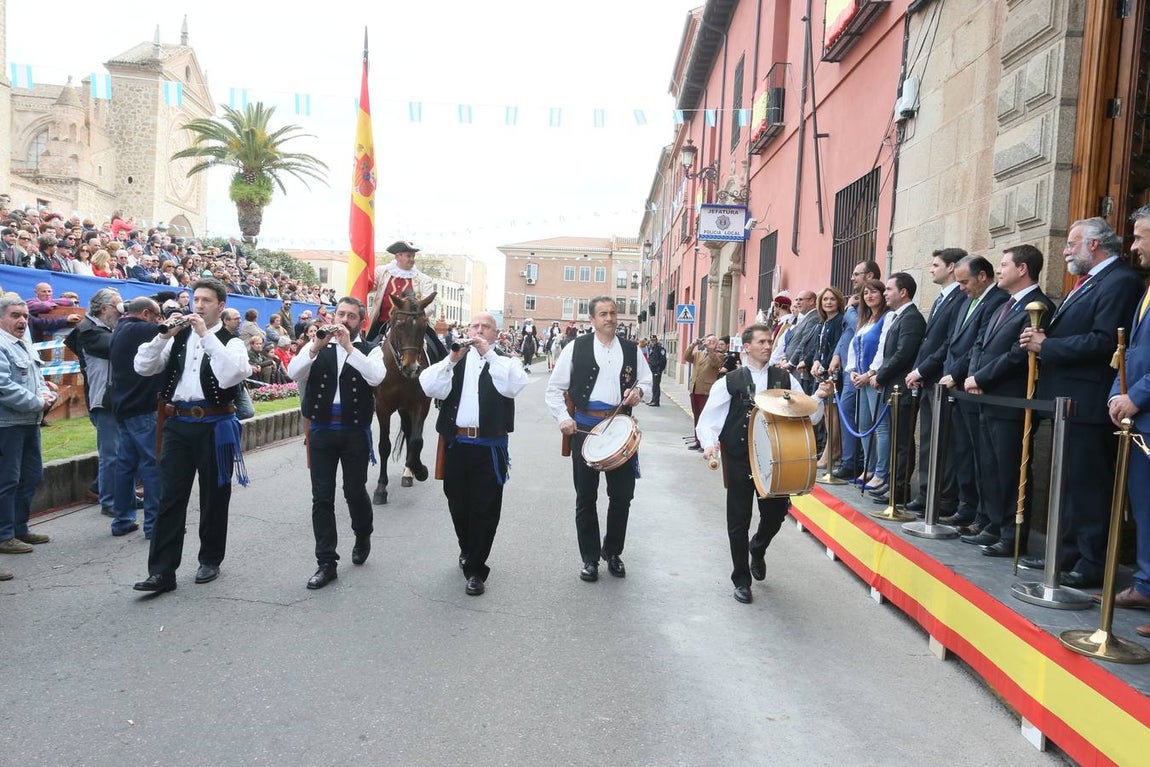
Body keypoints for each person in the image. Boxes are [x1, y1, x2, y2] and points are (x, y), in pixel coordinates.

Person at [1021, 218, 1142, 583]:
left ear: (1094, 244)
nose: (1065, 249)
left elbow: (1105, 341)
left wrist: (1048, 345)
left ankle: (1092, 562)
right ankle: (1067, 553)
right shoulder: (1085, 283)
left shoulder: (1120, 281)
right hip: (1065, 399)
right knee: (1069, 481)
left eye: (1072, 243)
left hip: (1088, 399)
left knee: (1089, 484)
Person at [130, 278, 251, 595]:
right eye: (196, 299)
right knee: (170, 497)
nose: (198, 305)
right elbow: (142, 366)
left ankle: (210, 558)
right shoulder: (177, 338)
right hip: (178, 424)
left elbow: (231, 375)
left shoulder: (231, 341)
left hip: (215, 424)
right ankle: (161, 572)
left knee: (214, 495)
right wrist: (161, 337)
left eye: (206, 300)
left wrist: (205, 335)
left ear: (220, 306)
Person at [698, 323, 832, 603]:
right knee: (738, 519)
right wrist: (709, 443)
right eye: (761, 341)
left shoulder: (785, 379)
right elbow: (709, 418)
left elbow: (811, 417)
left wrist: (818, 397)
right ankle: (741, 579)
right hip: (739, 457)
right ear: (746, 347)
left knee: (774, 516)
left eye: (769, 341)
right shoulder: (730, 381)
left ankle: (757, 548)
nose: (767, 346)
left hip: (775, 460)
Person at [420, 312, 528, 595]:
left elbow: (513, 386)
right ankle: (468, 549)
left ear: (495, 333)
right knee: (457, 503)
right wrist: (451, 359)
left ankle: (477, 570)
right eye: (475, 326)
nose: (480, 331)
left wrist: (488, 355)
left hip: (489, 446)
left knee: (486, 508)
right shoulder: (454, 359)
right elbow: (429, 386)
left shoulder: (506, 360)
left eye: (486, 327)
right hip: (457, 444)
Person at [545, 296, 652, 582]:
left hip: (621, 430)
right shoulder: (575, 348)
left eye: (613, 313)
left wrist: (639, 393)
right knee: (585, 497)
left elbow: (647, 383)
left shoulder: (632, 349)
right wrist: (563, 418)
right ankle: (590, 559)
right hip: (585, 427)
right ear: (591, 320)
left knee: (622, 497)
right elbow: (554, 389)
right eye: (603, 314)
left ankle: (613, 552)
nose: (610, 318)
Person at [288, 297, 385, 590]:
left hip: (354, 432)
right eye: (340, 313)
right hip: (320, 431)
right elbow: (294, 372)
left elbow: (376, 376)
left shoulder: (371, 350)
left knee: (354, 491)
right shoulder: (316, 345)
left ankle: (362, 532)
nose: (344, 320)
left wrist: (348, 348)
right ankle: (326, 562)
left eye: (351, 316)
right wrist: (317, 346)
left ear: (360, 322)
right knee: (322, 497)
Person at [963, 246, 1055, 558]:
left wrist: (982, 378)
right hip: (988, 399)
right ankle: (992, 524)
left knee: (1010, 471)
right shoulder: (1004, 304)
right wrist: (973, 375)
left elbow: (1019, 354)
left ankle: (1012, 534)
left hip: (1011, 402)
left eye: (1004, 265)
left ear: (1023, 269)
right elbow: (981, 343)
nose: (999, 270)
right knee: (989, 468)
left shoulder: (1038, 305)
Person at [937, 255, 1009, 532]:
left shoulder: (997, 301)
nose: (961, 288)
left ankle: (979, 512)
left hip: (974, 386)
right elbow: (955, 342)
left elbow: (978, 346)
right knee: (962, 452)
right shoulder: (967, 300)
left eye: (965, 282)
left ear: (982, 276)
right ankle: (966, 507)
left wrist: (959, 375)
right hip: (958, 384)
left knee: (979, 457)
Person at [1107, 205, 1150, 636]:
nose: (1132, 246)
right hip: (1138, 421)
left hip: (1146, 414)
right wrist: (1115, 394)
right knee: (1144, 510)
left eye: (1139, 236)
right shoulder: (1145, 290)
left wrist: (1134, 398)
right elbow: (1131, 353)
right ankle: (1146, 583)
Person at [902, 248, 967, 514]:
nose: (931, 269)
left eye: (935, 264)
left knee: (944, 443)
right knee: (929, 439)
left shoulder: (959, 299)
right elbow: (929, 342)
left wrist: (923, 370)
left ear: (951, 267)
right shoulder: (942, 299)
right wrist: (918, 371)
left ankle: (942, 497)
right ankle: (927, 493)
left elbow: (948, 344)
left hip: (942, 379)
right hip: (928, 379)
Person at [0, 295, 56, 557]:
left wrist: (47, 393)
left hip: (28, 422)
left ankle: (19, 528)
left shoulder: (23, 343)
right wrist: (37, 402)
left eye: (25, 315)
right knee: (8, 480)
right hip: (7, 425)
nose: (22, 320)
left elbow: (36, 377)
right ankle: (4, 535)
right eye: (15, 315)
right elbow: (3, 387)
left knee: (31, 476)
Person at [865, 273, 926, 507]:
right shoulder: (899, 317)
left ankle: (899, 489)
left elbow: (903, 354)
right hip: (893, 388)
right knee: (896, 441)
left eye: (889, 289)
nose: (885, 293)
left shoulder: (911, 318)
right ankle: (892, 484)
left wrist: (880, 375)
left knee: (902, 442)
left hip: (901, 388)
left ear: (903, 292)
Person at [63, 288, 122, 520]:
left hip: (116, 398)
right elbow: (117, 347)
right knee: (112, 454)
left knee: (126, 451)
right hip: (103, 400)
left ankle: (116, 493)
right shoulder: (88, 330)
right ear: (105, 308)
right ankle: (109, 501)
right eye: (118, 306)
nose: (121, 311)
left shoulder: (106, 327)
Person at [108, 296, 165, 539]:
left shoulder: (119, 329)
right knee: (153, 466)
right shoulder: (142, 329)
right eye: (156, 315)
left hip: (123, 406)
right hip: (142, 407)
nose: (158, 320)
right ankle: (154, 525)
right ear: (145, 314)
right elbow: (169, 329)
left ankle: (122, 520)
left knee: (126, 466)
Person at [828, 262, 881, 480]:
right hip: (851, 368)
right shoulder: (857, 302)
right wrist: (837, 355)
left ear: (869, 275)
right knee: (851, 416)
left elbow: (859, 327)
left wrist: (850, 309)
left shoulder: (865, 304)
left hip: (866, 371)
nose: (852, 278)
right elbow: (848, 336)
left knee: (866, 421)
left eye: (856, 274)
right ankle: (852, 461)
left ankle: (859, 464)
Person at [365, 240, 446, 362]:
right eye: (409, 256)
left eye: (413, 256)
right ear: (398, 256)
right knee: (365, 350)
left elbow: (430, 307)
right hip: (383, 323)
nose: (412, 259)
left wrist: (414, 315)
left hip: (413, 325)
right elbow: (368, 286)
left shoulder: (424, 279)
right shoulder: (382, 272)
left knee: (438, 350)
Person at [845, 280, 889, 491]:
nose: (869, 296)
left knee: (880, 427)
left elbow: (882, 348)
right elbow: (854, 348)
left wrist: (870, 372)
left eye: (874, 292)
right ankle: (869, 468)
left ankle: (881, 473)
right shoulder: (865, 319)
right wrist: (852, 370)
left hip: (874, 379)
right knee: (862, 425)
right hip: (860, 379)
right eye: (866, 293)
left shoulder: (886, 317)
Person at [684, 334, 724, 450]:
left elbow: (715, 364)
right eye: (708, 340)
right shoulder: (699, 354)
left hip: (706, 391)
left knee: (705, 417)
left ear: (716, 344)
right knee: (697, 416)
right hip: (695, 388)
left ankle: (705, 442)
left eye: (712, 341)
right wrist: (693, 345)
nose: (709, 343)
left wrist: (711, 350)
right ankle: (698, 440)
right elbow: (687, 357)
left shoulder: (718, 355)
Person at [646, 336, 666, 406]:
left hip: (657, 370)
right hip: (652, 369)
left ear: (656, 340)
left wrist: (659, 370)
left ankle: (656, 401)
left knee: (656, 386)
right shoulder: (652, 348)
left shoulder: (661, 349)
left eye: (654, 340)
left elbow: (663, 360)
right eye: (651, 340)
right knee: (653, 386)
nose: (652, 342)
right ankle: (653, 400)